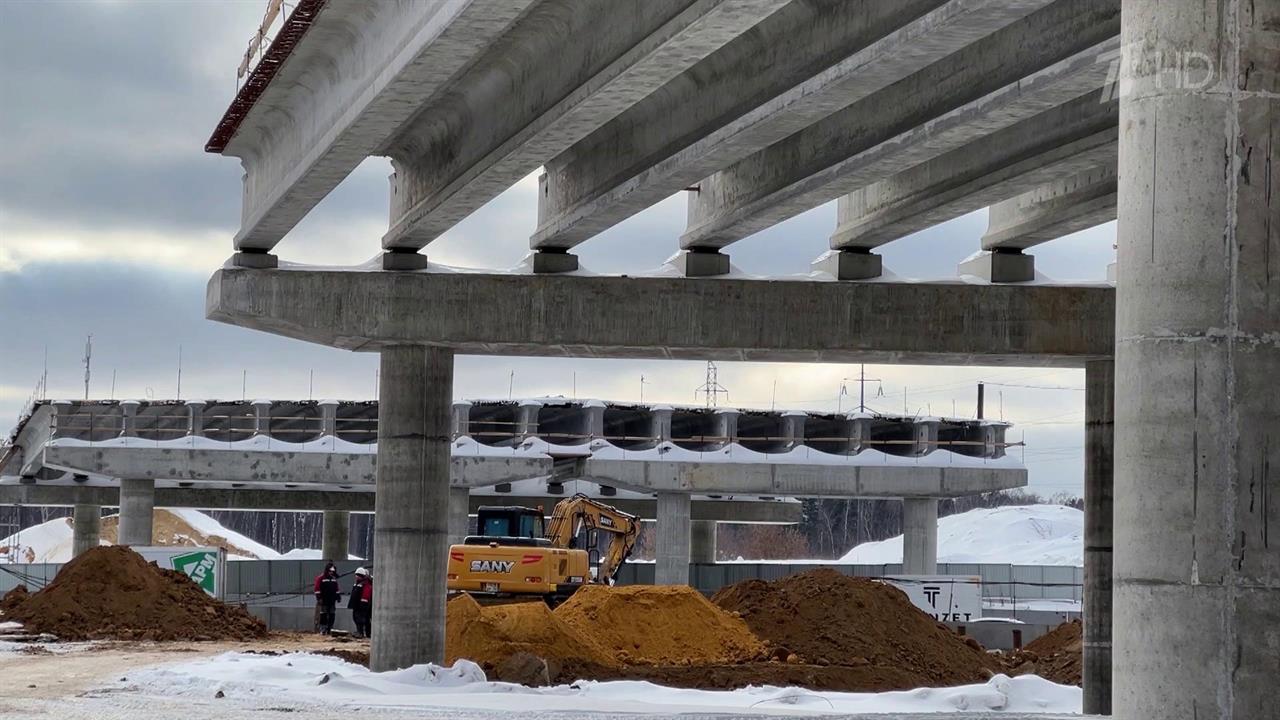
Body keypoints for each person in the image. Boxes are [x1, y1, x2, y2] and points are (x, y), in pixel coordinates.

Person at [313, 562, 342, 635]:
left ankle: (330, 628)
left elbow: (336, 589)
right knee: (323, 614)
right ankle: (323, 628)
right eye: (330, 571)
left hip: (332, 600)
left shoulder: (334, 579)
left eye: (332, 572)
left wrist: (338, 597)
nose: (331, 573)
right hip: (324, 600)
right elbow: (317, 588)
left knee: (332, 614)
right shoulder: (321, 578)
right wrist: (319, 598)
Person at [349, 567, 372, 639]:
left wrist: (363, 603)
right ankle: (360, 632)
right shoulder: (357, 583)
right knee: (356, 618)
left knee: (361, 619)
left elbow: (366, 594)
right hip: (356, 604)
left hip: (362, 605)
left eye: (357, 575)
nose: (356, 576)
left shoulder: (365, 584)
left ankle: (362, 633)